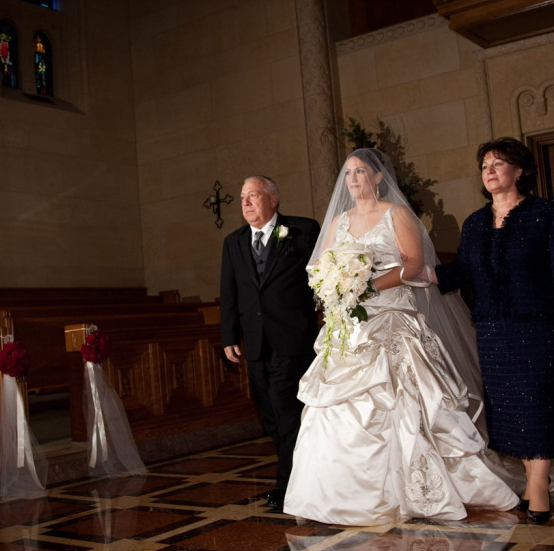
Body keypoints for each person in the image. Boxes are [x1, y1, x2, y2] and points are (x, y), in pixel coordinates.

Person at [283, 149, 519, 526]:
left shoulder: (396, 214)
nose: (354, 179)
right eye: (348, 174)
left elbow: (412, 262)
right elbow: (321, 265)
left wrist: (368, 287)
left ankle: (417, 491)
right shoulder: (339, 221)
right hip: (350, 324)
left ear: (378, 178)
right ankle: (334, 496)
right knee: (331, 406)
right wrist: (334, 287)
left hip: (392, 316)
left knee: (406, 399)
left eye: (361, 172)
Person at [433, 137, 554, 524]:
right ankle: (533, 475)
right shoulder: (475, 223)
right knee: (509, 412)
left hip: (536, 326)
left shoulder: (545, 214)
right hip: (493, 331)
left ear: (519, 171)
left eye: (498, 163)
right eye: (485, 164)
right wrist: (418, 274)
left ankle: (537, 487)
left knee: (538, 404)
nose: (490, 170)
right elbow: (463, 272)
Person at [221, 176, 320, 510]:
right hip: (256, 343)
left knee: (287, 408)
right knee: (270, 414)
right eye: (242, 197)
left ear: (273, 199)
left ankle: (287, 485)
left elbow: (321, 281)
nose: (246, 202)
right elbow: (230, 293)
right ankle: (294, 473)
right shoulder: (233, 242)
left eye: (254, 195)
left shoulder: (303, 230)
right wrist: (228, 336)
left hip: (294, 338)